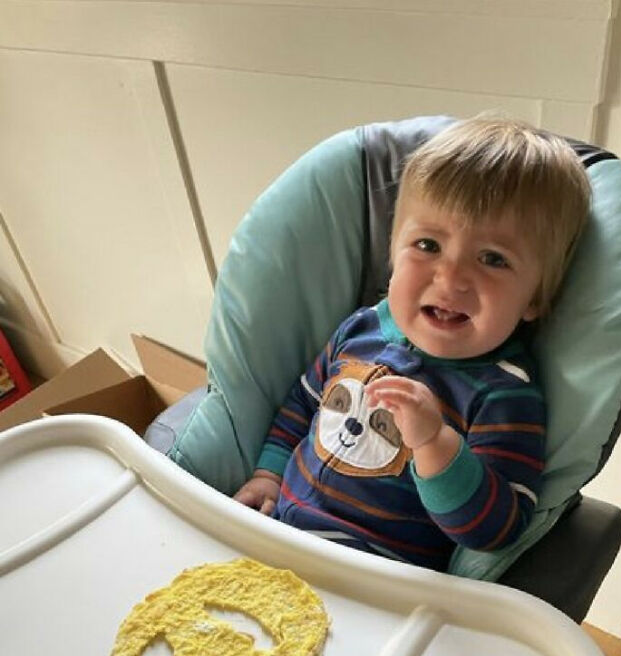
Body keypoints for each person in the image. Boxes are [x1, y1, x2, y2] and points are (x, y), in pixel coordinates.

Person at [234, 116, 591, 571]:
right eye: (427, 245)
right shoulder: (361, 328)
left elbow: (496, 530)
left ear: (535, 298)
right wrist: (268, 475)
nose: (451, 278)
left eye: (493, 259)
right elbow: (302, 405)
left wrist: (435, 443)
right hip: (276, 532)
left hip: (373, 577)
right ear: (393, 252)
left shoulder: (504, 392)